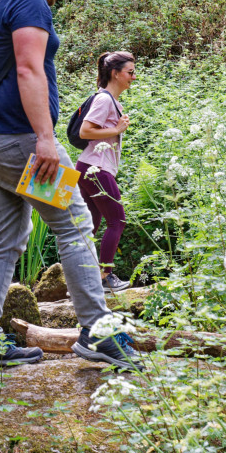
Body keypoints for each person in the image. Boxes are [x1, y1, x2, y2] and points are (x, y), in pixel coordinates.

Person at [0, 0, 142, 374]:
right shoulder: (28, 0)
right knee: (76, 221)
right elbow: (27, 68)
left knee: (4, 241)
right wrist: (45, 137)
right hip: (22, 141)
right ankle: (97, 330)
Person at [75, 51, 136, 293]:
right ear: (115, 73)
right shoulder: (104, 100)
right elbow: (85, 131)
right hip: (95, 168)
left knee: (91, 224)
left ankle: (82, 278)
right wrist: (118, 128)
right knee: (117, 220)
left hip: (89, 167)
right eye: (130, 72)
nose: (133, 77)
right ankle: (105, 276)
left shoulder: (112, 101)